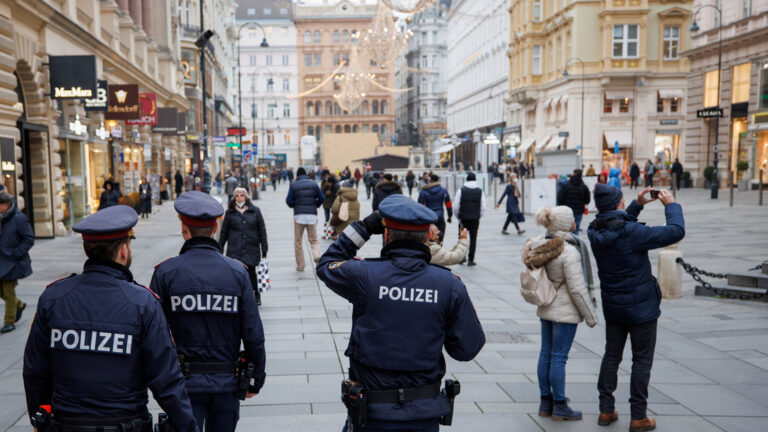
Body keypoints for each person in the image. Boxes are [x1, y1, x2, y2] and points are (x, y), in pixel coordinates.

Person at [316, 194, 486, 432]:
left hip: (371, 415)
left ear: (386, 235)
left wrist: (364, 227)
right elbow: (467, 349)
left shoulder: (364, 275)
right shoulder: (450, 285)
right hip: (424, 414)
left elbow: (327, 263)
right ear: (427, 236)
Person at [23, 205, 197, 431]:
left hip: (67, 424)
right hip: (125, 424)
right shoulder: (143, 303)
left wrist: (40, 416)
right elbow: (166, 379)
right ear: (123, 250)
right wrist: (186, 426)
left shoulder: (53, 297)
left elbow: (35, 370)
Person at [151, 192, 266, 432]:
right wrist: (256, 376)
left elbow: (155, 337)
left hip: (183, 385)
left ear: (184, 228)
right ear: (215, 228)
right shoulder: (237, 272)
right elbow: (253, 332)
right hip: (226, 382)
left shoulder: (166, 273)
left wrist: (159, 383)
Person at [588, 184, 684, 432]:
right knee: (641, 360)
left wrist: (637, 205)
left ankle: (606, 409)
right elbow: (675, 231)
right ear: (619, 203)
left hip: (613, 306)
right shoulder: (633, 233)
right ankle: (638, 416)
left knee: (611, 356)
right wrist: (671, 205)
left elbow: (616, 225)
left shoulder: (594, 230)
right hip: (641, 307)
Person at [522, 206, 598, 421]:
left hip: (546, 306)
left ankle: (545, 402)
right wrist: (591, 316)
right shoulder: (569, 251)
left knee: (546, 354)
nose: (574, 222)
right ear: (565, 224)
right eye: (572, 218)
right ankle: (560, 405)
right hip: (565, 311)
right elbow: (577, 288)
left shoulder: (540, 245)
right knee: (558, 358)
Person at [219, 187, 268, 306]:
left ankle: (256, 294)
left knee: (251, 272)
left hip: (251, 247)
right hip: (235, 248)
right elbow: (224, 232)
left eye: (242, 195)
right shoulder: (230, 212)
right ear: (234, 197)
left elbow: (262, 230)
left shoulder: (255, 211)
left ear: (246, 197)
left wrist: (264, 248)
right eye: (237, 195)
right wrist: (219, 248)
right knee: (235, 273)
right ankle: (237, 295)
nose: (239, 198)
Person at [0, 191, 33, 334]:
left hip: (13, 262)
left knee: (8, 292)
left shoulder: (19, 218)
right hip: (1, 261)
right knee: (3, 292)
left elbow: (28, 238)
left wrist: (16, 253)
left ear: (5, 205)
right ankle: (19, 305)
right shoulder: (1, 217)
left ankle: (9, 322)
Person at [286, 167, 325, 272]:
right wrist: (316, 205)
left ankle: (300, 265)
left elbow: (288, 201)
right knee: (313, 239)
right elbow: (322, 198)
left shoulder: (293, 185)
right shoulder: (314, 184)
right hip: (312, 215)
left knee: (298, 241)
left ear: (297, 175)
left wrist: (295, 206)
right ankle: (317, 256)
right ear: (306, 174)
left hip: (299, 216)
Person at [454, 172, 486, 266]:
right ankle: (471, 259)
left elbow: (456, 206)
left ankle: (462, 257)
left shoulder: (461, 191)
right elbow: (483, 207)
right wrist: (478, 216)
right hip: (475, 218)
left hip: (463, 218)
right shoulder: (480, 191)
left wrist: (458, 216)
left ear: (466, 179)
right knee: (473, 238)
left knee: (462, 237)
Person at [418, 174, 453, 243]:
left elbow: (420, 206)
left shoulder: (423, 191)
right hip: (440, 217)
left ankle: (431, 246)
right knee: (440, 234)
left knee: (430, 237)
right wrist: (450, 215)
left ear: (430, 180)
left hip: (429, 217)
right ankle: (440, 243)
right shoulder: (443, 190)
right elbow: (448, 204)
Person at [557, 169, 591, 235]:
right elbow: (587, 200)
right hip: (579, 211)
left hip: (567, 211)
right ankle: (574, 241)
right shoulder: (584, 187)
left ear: (573, 174)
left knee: (567, 229)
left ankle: (567, 241)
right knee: (576, 229)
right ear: (581, 175)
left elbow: (560, 198)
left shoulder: (565, 185)